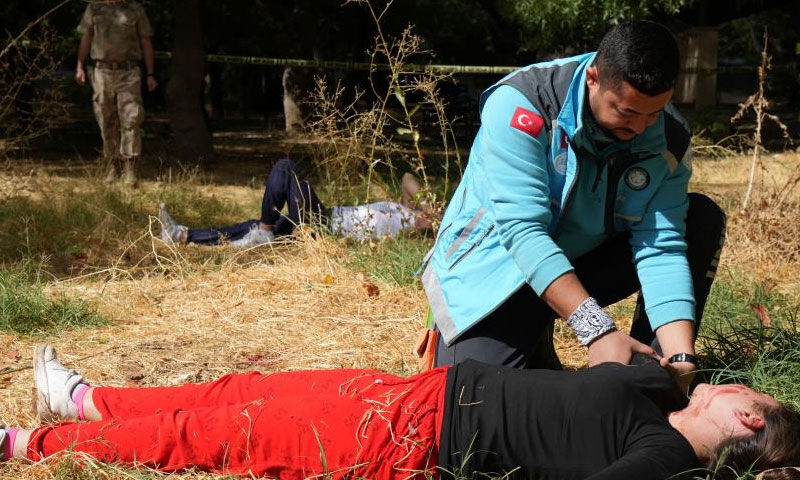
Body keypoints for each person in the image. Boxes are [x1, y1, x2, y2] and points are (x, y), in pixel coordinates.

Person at [419, 20, 726, 392]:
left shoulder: (669, 139)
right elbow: (524, 233)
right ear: (594, 77)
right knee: (467, 400)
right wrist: (597, 331)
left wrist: (681, 362)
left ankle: (649, 375)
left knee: (701, 219)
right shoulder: (522, 103)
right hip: (498, 271)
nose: (643, 128)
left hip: (580, 263)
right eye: (627, 113)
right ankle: (532, 331)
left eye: (653, 113)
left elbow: (660, 247)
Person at [1, 345, 798, 480]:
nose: (726, 382)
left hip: (409, 436)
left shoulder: (662, 459)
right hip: (413, 390)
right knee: (239, 393)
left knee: (219, 438)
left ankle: (30, 443)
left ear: (749, 420)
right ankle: (93, 402)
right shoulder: (659, 395)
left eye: (740, 390)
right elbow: (629, 357)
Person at [158, 158, 435, 248]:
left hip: (325, 228)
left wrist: (433, 219)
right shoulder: (407, 210)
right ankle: (183, 236)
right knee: (250, 227)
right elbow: (408, 177)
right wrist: (428, 205)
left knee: (285, 168)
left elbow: (434, 227)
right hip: (325, 215)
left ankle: (265, 231)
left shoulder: (414, 232)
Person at [75, 0, 158, 187]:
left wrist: (150, 73)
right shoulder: (94, 8)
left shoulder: (135, 9)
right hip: (102, 72)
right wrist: (80, 65)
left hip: (129, 72)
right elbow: (86, 37)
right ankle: (112, 165)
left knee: (131, 119)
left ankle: (130, 170)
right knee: (106, 120)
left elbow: (145, 41)